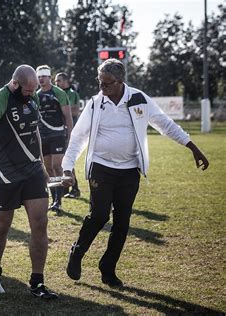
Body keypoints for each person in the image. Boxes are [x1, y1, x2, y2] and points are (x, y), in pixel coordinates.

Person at [62, 58, 209, 287]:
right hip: (101, 168)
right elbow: (78, 137)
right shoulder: (95, 103)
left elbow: (165, 124)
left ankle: (108, 268)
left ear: (120, 82)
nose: (102, 88)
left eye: (107, 83)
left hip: (129, 171)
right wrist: (67, 167)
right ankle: (77, 253)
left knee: (122, 223)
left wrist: (192, 147)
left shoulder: (139, 99)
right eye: (100, 82)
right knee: (99, 215)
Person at [0, 65, 58, 299]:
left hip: (32, 171)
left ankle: (37, 282)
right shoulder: (0, 99)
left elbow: (35, 131)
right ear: (15, 84)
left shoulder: (33, 97)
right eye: (29, 90)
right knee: (3, 226)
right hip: (5, 173)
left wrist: (41, 163)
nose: (32, 94)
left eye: (34, 90)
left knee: (40, 223)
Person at [36, 65, 73, 214]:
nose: (41, 79)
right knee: (48, 168)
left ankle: (59, 200)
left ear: (49, 77)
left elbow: (68, 116)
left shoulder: (58, 93)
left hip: (57, 134)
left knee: (57, 165)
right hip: (43, 136)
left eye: (43, 76)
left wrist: (70, 135)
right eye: (39, 77)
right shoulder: (36, 94)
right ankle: (54, 198)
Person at [55, 72, 81, 199]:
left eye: (59, 80)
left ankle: (75, 188)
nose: (57, 83)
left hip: (68, 131)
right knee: (62, 160)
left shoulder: (71, 93)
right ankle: (66, 187)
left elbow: (74, 111)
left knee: (67, 159)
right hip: (59, 131)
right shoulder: (56, 93)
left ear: (66, 81)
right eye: (55, 81)